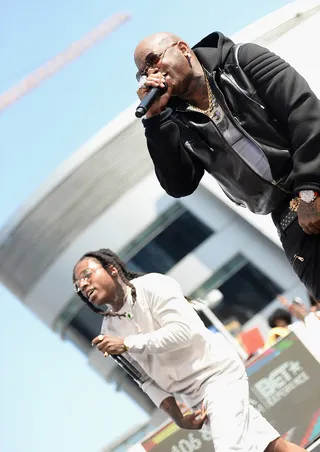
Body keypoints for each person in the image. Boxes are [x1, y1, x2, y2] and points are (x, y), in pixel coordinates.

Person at [134, 31, 320, 300]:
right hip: (288, 219)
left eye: (153, 60)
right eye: (143, 72)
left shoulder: (241, 61)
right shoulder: (173, 121)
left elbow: (304, 113)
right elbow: (179, 185)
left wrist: (309, 191)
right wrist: (155, 121)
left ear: (183, 49)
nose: (151, 72)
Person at [73, 248, 306, 452]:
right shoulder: (109, 330)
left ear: (112, 269)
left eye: (87, 275)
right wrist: (178, 417)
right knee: (272, 446)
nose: (83, 285)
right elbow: (145, 380)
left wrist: (127, 343)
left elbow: (184, 331)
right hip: (195, 399)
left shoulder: (153, 285)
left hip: (219, 375)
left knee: (231, 448)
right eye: (78, 286)